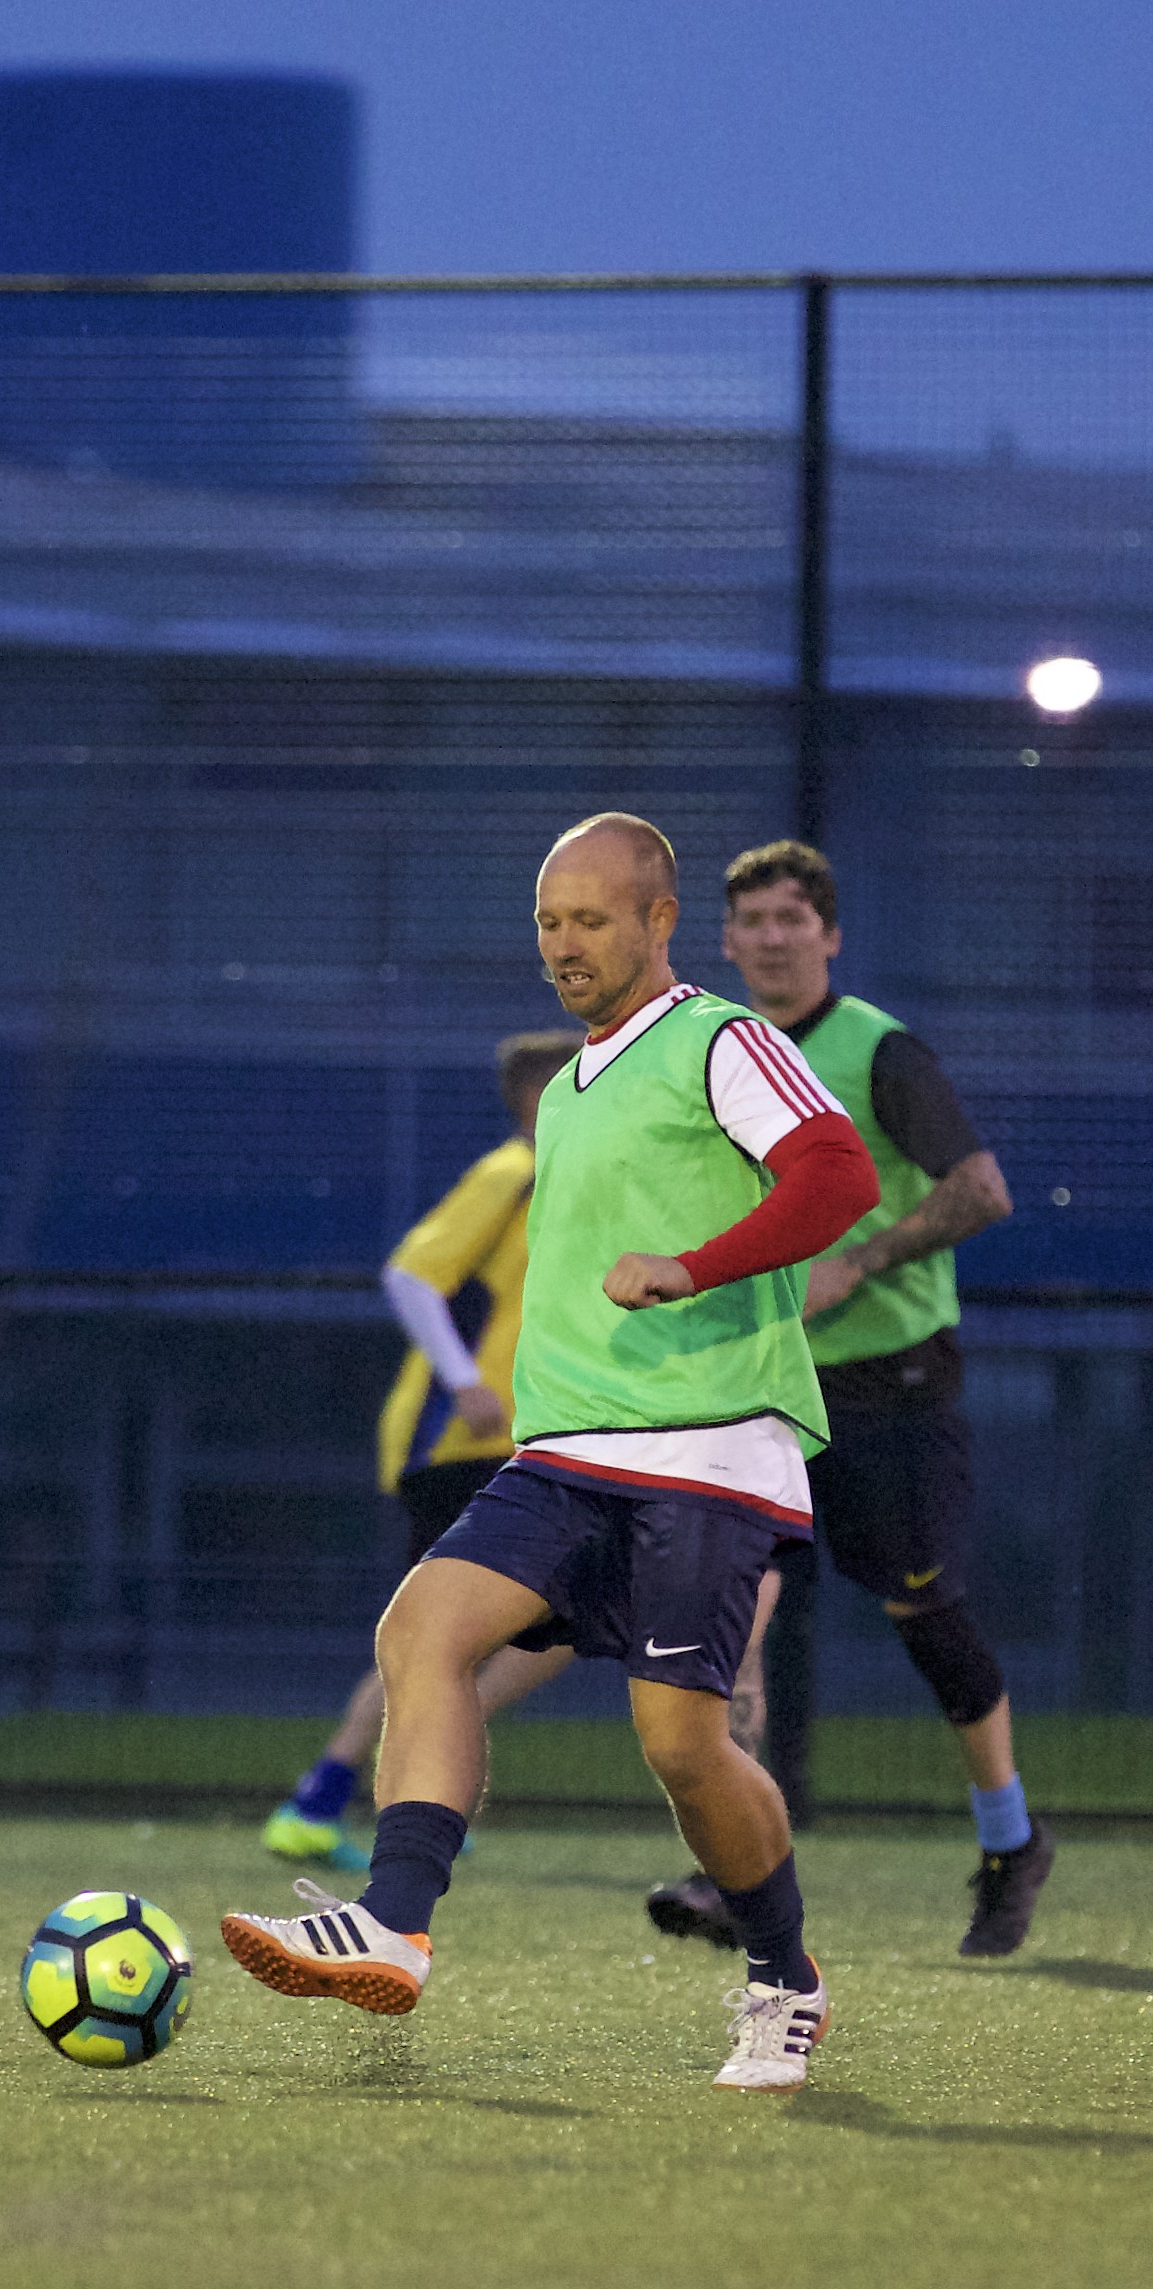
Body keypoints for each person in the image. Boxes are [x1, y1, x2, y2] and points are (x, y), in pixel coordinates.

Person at [221, 812, 882, 2092]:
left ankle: (784, 1979)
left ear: (658, 919)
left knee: (683, 1749)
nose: (565, 943)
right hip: (567, 1453)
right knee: (420, 1629)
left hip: (706, 1452)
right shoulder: (569, 1088)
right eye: (547, 921)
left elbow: (838, 1175)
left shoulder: (719, 1040)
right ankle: (395, 1926)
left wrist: (694, 1265)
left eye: (592, 917)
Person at [641, 836, 1054, 1960]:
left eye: (792, 919)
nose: (771, 938)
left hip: (891, 1385)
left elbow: (982, 1190)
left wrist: (858, 1259)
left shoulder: (878, 1052)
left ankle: (1009, 1839)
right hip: (763, 1389)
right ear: (722, 941)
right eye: (753, 922)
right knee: (738, 1621)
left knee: (926, 1615)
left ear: (828, 934)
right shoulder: (713, 1049)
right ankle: (734, 1869)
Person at [261, 1031, 585, 1873]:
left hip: (519, 1442)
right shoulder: (512, 1173)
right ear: (540, 1103)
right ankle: (338, 1796)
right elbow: (410, 1275)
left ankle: (381, 1786)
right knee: (450, 1638)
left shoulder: (570, 1185)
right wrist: (463, 1379)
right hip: (461, 1442)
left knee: (540, 1629)